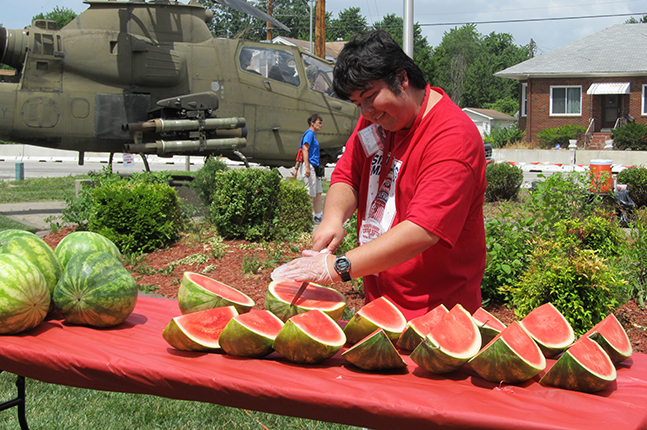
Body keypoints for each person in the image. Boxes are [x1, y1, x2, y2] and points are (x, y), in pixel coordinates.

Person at [272, 30, 487, 320]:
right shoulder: (376, 120)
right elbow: (348, 176)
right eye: (358, 103)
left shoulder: (452, 138)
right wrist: (332, 219)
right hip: (380, 308)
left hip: (436, 314)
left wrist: (339, 267)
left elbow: (422, 230)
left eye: (370, 97)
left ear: (402, 78)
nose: (367, 111)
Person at [298, 113, 325, 223]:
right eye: (319, 123)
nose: (321, 125)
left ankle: (318, 215)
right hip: (309, 165)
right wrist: (307, 167)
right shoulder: (309, 133)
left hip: (315, 165)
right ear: (312, 123)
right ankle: (304, 216)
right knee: (309, 192)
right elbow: (304, 149)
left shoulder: (313, 134)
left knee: (318, 192)